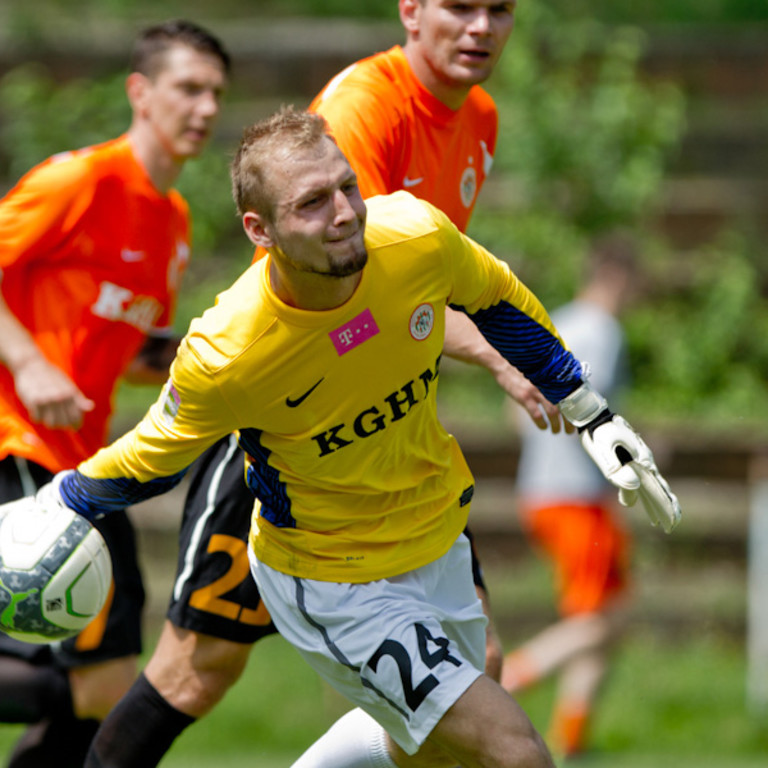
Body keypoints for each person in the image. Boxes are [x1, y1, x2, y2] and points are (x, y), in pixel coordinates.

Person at [26, 106, 679, 768]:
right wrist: (63, 500)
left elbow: (497, 299)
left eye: (346, 187)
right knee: (511, 749)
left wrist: (590, 412)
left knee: (438, 734)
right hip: (334, 579)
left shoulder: (414, 236)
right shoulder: (229, 350)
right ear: (261, 230)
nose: (344, 212)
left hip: (434, 530)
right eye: (312, 203)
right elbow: (154, 456)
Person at [83, 3, 569, 765]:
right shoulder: (363, 108)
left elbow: (420, 289)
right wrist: (503, 357)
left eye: (498, 8)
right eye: (459, 6)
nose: (481, 27)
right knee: (195, 671)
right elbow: (357, 296)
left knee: (475, 681)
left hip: (387, 443)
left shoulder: (478, 115)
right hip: (291, 438)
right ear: (411, 9)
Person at [0, 19, 229, 767]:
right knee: (103, 687)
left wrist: (208, 363)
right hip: (20, 447)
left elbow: (128, 349)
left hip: (86, 465)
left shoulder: (173, 220)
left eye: (215, 94)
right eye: (188, 88)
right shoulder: (80, 181)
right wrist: (30, 364)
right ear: (140, 90)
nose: (204, 107)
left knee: (104, 690)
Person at [500, 233, 639, 761]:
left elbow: (518, 409)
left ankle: (573, 739)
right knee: (600, 622)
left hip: (539, 487)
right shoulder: (603, 331)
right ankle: (509, 680)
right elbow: (590, 409)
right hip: (577, 494)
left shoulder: (554, 320)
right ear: (619, 277)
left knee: (607, 617)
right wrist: (630, 462)